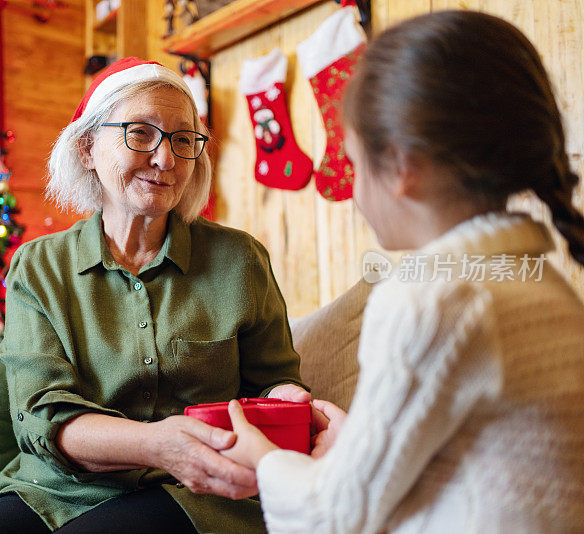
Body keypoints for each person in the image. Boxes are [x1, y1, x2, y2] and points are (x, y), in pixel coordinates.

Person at [222, 10, 584, 533]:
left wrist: (265, 460)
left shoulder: (434, 298)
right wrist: (359, 441)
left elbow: (332, 519)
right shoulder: (541, 286)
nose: (354, 196)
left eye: (352, 161)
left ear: (403, 168)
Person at [0, 58, 313, 534]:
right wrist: (155, 442)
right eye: (141, 133)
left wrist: (294, 403)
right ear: (87, 149)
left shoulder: (239, 259)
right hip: (55, 489)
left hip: (193, 492)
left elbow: (274, 383)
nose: (166, 160)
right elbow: (44, 417)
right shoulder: (38, 267)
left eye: (184, 140)